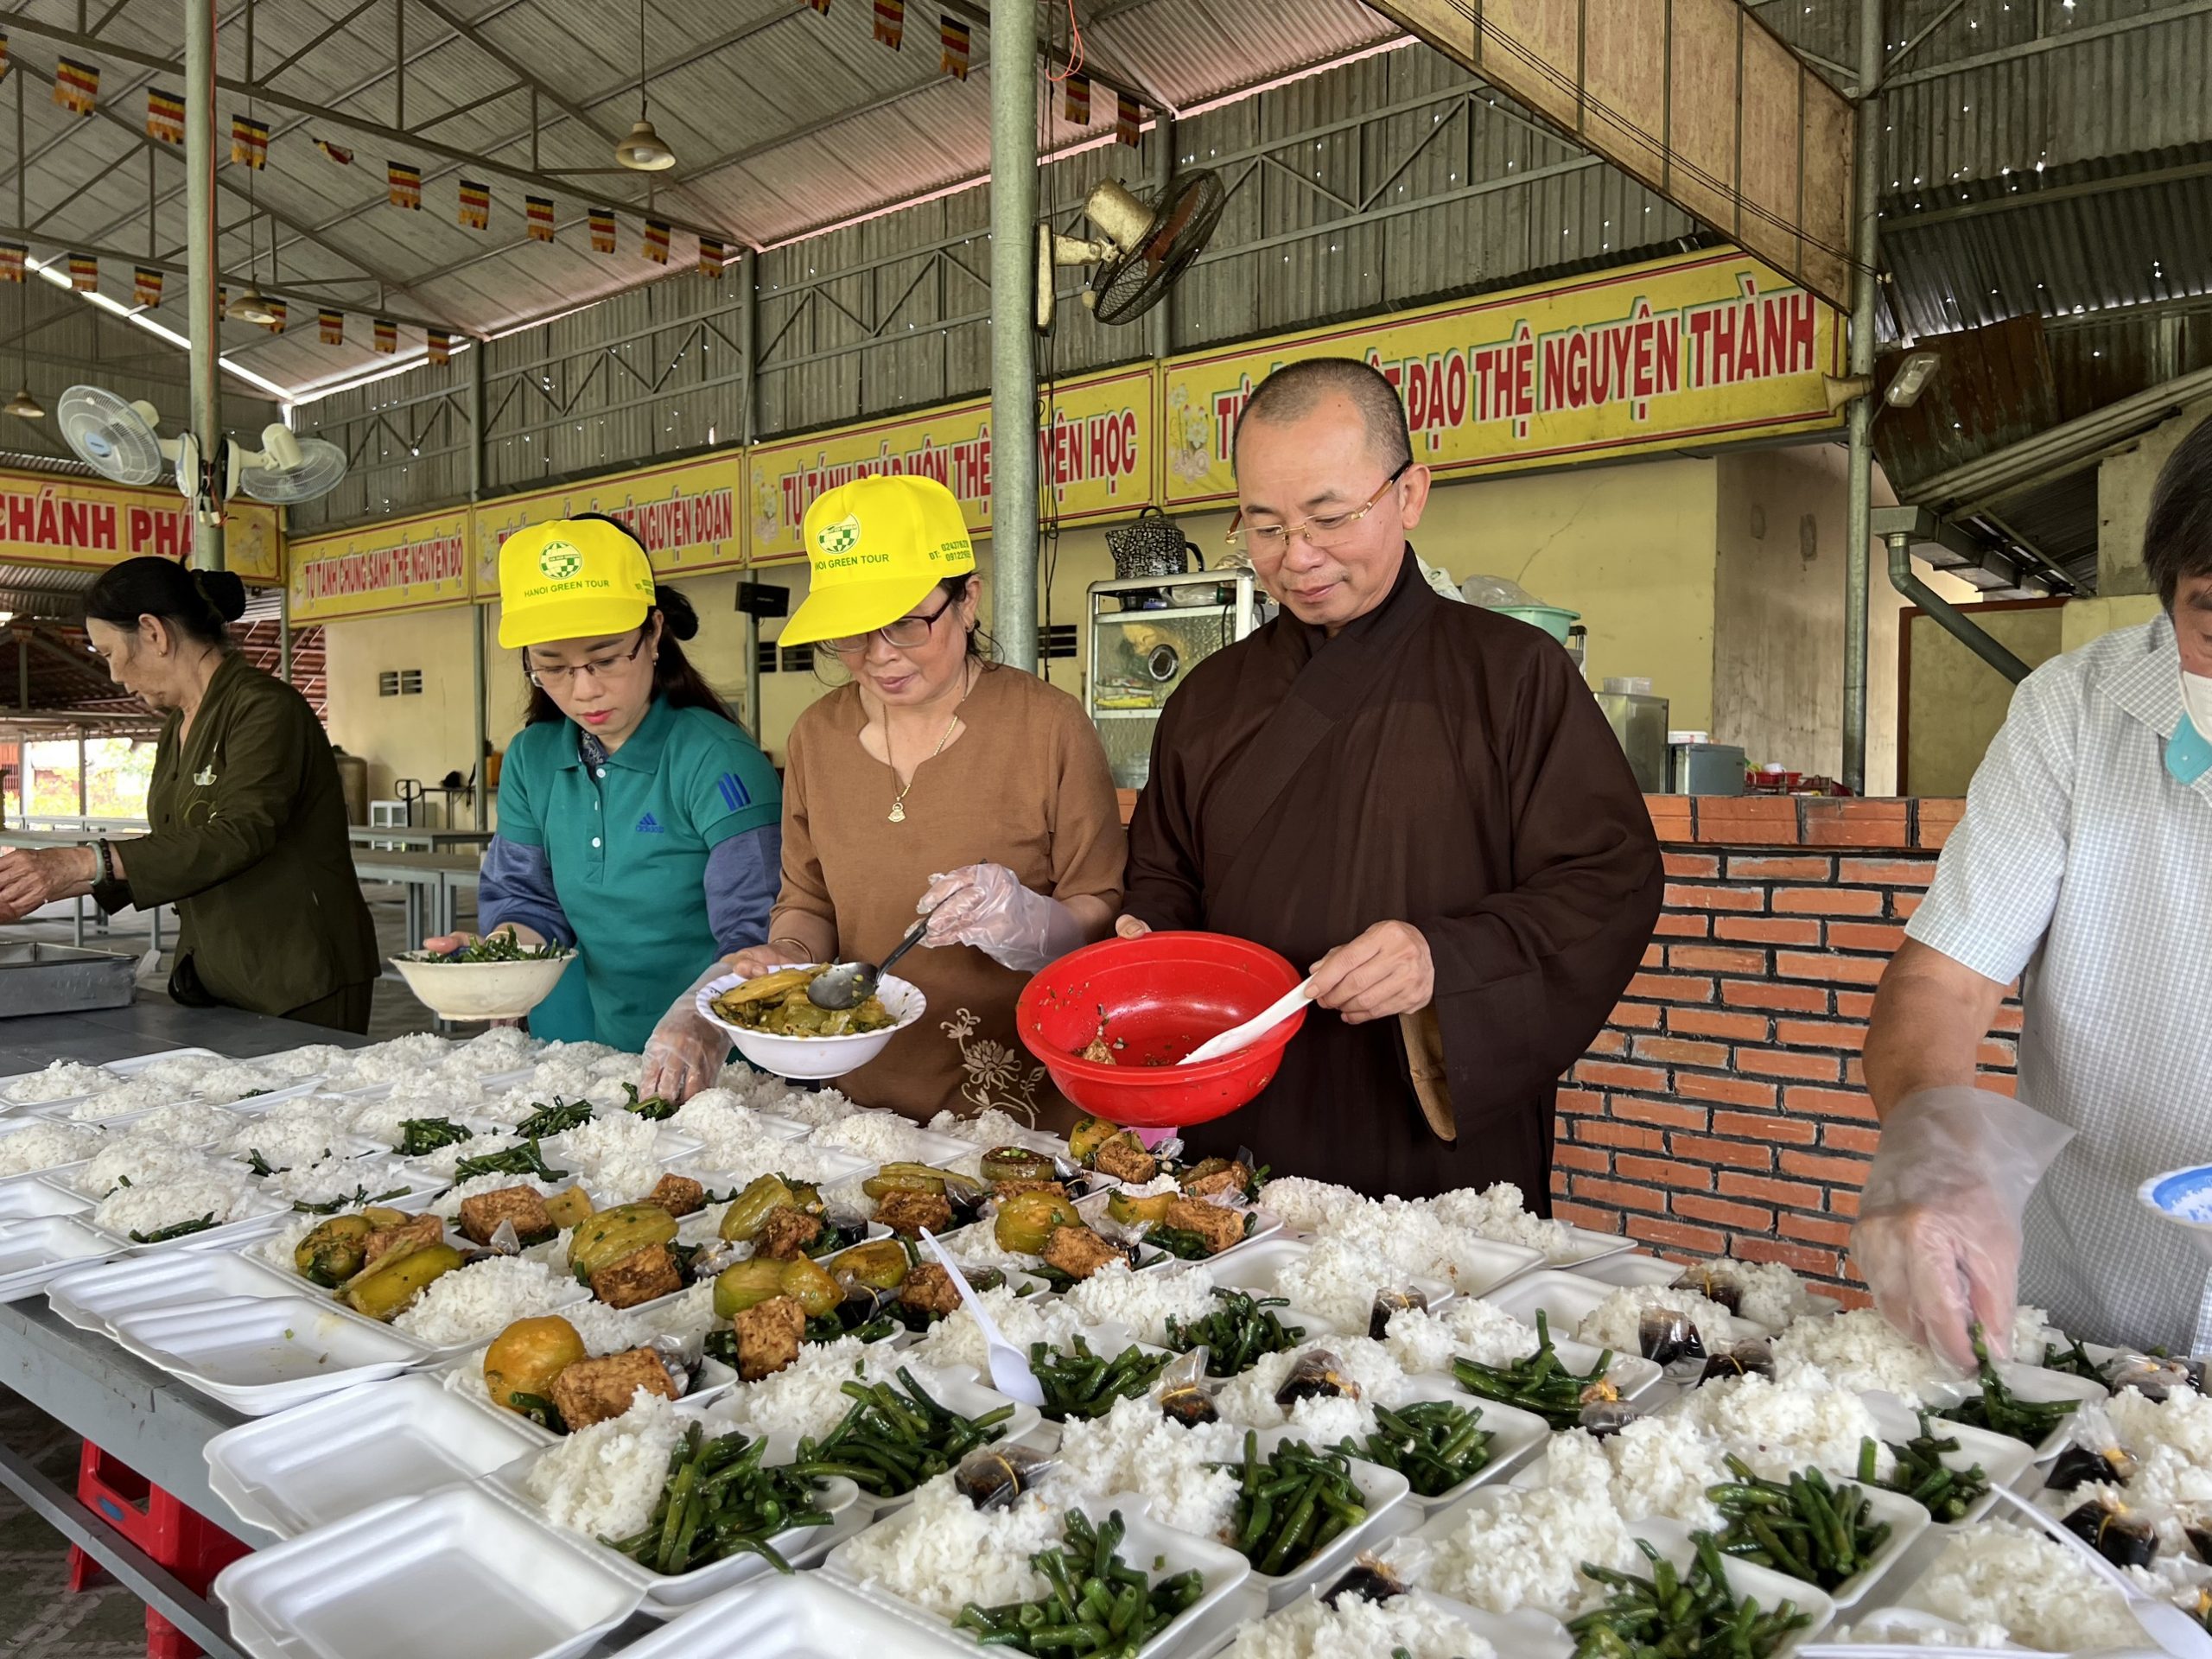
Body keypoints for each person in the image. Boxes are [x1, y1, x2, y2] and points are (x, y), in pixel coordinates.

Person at [1116, 357, 1663, 1199]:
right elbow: (1165, 878)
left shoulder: (1510, 675)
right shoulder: (1207, 699)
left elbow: (1608, 880)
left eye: (1328, 518)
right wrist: (1144, 942)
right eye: (1263, 527)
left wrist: (1440, 958)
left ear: (1408, 496)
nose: (1296, 558)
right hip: (1238, 1133)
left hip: (1430, 1143)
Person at [1858, 413, 2212, 1363]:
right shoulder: (2076, 712)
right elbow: (1943, 984)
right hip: (2094, 1323)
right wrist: (1934, 1156)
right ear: (2169, 588)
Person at [721, 474, 1124, 1128]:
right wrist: (788, 956)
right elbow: (808, 898)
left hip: (1018, 1104)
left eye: (907, 623)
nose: (879, 657)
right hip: (859, 1100)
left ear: (967, 601)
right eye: (851, 632)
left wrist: (1027, 921)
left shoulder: (1047, 726)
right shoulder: (817, 737)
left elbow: (1101, 904)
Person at [429, 514, 780, 1100]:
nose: (584, 690)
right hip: (576, 1049)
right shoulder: (531, 759)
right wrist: (498, 964)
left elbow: (757, 934)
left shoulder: (715, 758)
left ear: (654, 634)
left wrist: (702, 1019)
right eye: (554, 667)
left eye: (606, 658)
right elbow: (528, 904)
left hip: (715, 1057)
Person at [0, 558, 378, 1030]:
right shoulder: (178, 726)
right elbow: (178, 845)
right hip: (221, 967)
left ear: (154, 632)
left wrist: (82, 862)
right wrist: (37, 886)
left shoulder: (265, 709)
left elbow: (239, 833)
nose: (114, 674)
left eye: (109, 652)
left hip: (296, 970)